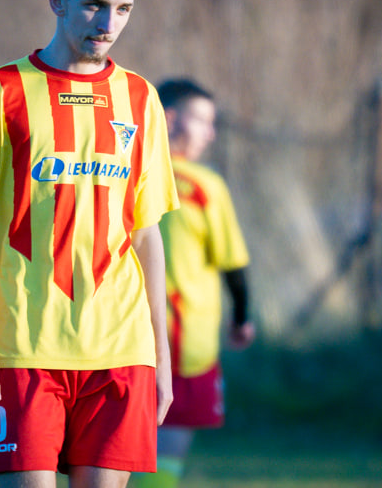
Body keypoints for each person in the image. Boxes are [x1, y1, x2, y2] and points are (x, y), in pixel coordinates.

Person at [0, 0, 179, 488]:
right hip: (21, 346)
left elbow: (147, 233)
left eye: (123, 8)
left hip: (120, 349)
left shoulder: (140, 100)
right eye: (93, 4)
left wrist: (161, 352)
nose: (108, 22)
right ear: (57, 1)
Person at [133, 79, 255, 488]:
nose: (210, 132)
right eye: (202, 120)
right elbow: (233, 263)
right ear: (169, 119)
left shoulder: (125, 171)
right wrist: (242, 318)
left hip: (121, 330)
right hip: (183, 338)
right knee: (167, 445)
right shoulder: (204, 185)